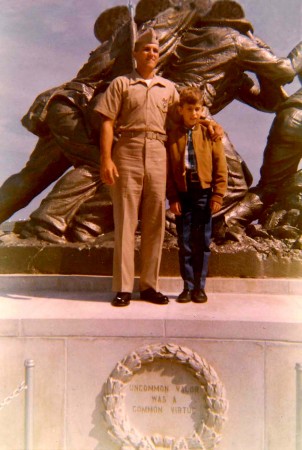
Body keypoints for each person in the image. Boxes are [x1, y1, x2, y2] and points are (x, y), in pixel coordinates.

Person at [93, 28, 179, 307]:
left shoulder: (169, 88)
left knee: (156, 222)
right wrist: (106, 159)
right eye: (146, 49)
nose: (151, 54)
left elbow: (182, 123)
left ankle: (150, 286)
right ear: (135, 54)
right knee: (126, 221)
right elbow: (107, 122)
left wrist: (209, 126)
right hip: (127, 150)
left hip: (157, 151)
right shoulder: (121, 84)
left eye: (155, 50)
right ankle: (123, 287)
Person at [166, 86, 227, 303]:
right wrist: (172, 197)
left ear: (202, 111)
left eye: (198, 109)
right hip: (183, 195)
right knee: (185, 242)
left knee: (202, 240)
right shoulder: (172, 136)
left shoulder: (210, 134)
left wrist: (217, 195)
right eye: (189, 109)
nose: (194, 113)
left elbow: (221, 167)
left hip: (203, 194)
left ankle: (200, 288)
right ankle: (187, 286)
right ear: (181, 109)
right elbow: (167, 171)